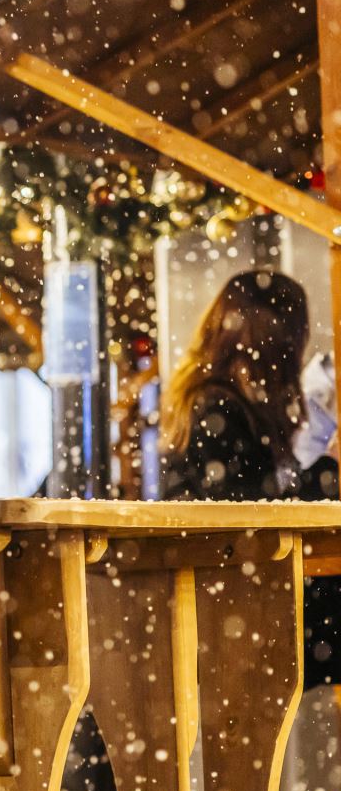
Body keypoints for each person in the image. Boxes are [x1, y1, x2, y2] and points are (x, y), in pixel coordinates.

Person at [160, 269, 339, 686]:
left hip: (234, 595)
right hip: (235, 603)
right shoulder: (218, 409)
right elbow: (258, 511)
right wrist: (330, 469)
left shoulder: (216, 401)